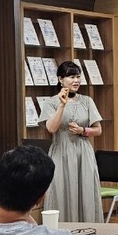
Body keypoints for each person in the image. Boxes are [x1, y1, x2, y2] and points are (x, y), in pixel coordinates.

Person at [39, 61, 104, 223]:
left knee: (86, 192)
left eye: (78, 77)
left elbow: (98, 130)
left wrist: (82, 130)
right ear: (60, 79)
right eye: (71, 77)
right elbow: (51, 128)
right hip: (60, 152)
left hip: (83, 153)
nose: (76, 81)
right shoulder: (51, 102)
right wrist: (62, 105)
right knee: (59, 192)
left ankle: (90, 231)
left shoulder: (87, 101)